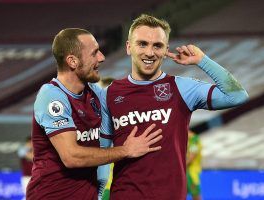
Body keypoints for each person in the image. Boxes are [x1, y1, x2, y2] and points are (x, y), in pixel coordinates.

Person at [99, 14, 249, 200]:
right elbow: (102, 153)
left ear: (166, 50)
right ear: (129, 47)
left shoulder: (182, 88)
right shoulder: (109, 94)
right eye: (142, 44)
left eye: (157, 45)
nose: (150, 52)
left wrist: (203, 61)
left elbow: (237, 96)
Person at [26, 28, 163, 200]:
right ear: (73, 61)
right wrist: (126, 150)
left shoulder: (95, 94)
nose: (102, 58)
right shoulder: (52, 97)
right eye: (94, 53)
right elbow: (72, 157)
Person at [187, 130, 202, 200]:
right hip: (185, 173)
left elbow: (191, 157)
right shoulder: (189, 140)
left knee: (196, 196)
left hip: (191, 174)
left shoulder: (194, 141)